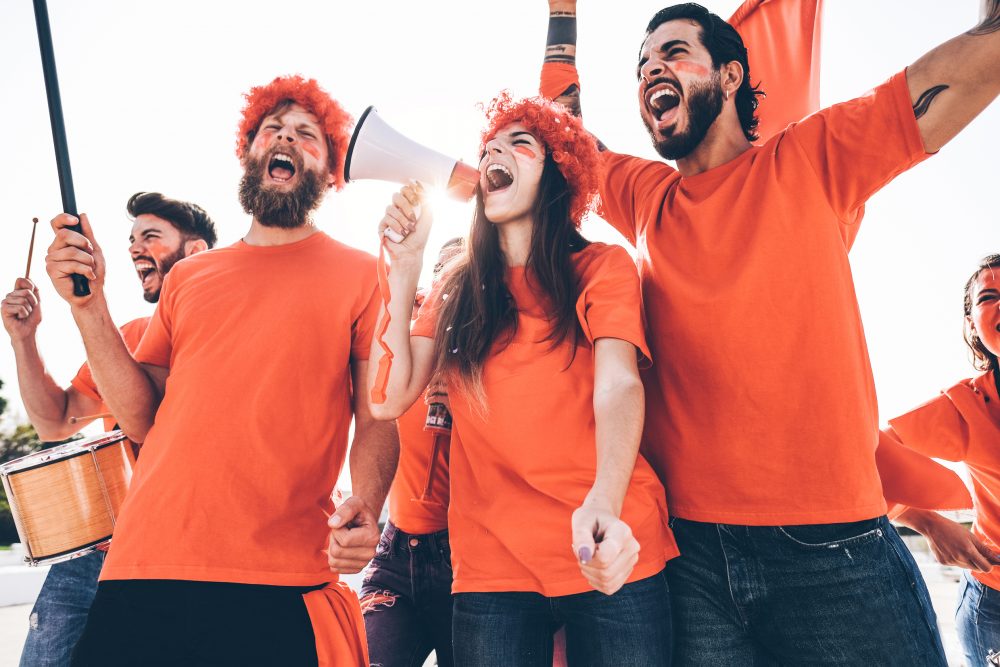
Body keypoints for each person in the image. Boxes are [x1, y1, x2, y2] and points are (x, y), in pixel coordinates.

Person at [537, 0, 1000, 663]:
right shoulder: (646, 198)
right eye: (641, 64)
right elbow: (560, 132)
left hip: (835, 554)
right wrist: (561, 14)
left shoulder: (811, 158)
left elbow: (949, 85)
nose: (649, 71)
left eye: (672, 53)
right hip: (694, 557)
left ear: (730, 76)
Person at [42, 75, 398, 666]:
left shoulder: (364, 275)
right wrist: (88, 305)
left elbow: (377, 414)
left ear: (330, 169)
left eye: (306, 135)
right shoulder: (188, 277)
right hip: (144, 563)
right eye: (271, 131)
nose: (285, 138)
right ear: (249, 152)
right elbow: (141, 418)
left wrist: (366, 498)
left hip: (279, 576)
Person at [369, 93, 676, 666]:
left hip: (609, 547)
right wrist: (405, 267)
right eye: (488, 147)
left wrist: (605, 505)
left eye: (519, 144)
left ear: (560, 172)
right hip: (492, 571)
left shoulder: (601, 267)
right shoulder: (455, 288)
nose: (493, 154)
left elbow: (619, 385)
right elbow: (387, 399)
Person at [1, 191, 216, 667]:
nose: (135, 248)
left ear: (196, 252)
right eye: (132, 239)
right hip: (101, 549)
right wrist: (24, 338)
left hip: (191, 554)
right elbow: (55, 420)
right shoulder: (126, 336)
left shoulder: (226, 333)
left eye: (151, 236)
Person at [886, 254, 1000, 667]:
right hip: (995, 603)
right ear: (973, 325)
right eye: (989, 297)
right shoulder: (964, 407)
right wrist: (927, 522)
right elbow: (859, 456)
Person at [359, 239, 460, 667]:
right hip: (395, 552)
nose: (445, 280)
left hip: (469, 559)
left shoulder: (492, 349)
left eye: (457, 272)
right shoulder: (406, 342)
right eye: (439, 269)